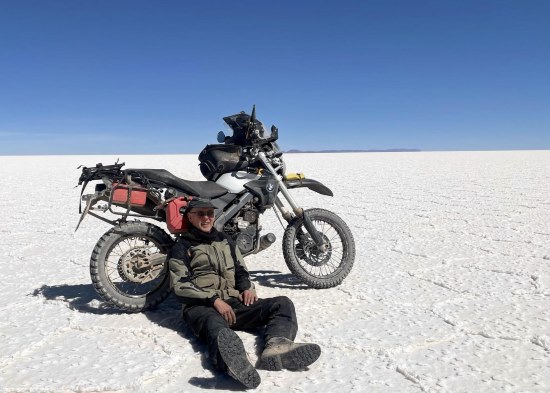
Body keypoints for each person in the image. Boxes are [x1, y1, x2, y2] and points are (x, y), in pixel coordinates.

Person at [168, 198, 321, 389]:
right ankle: (235, 363)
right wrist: (214, 300)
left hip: (233, 303)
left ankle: (277, 346)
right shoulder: (182, 247)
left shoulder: (225, 240)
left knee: (282, 303)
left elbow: (240, 269)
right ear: (190, 217)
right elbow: (180, 285)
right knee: (216, 328)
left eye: (209, 213)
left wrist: (247, 288)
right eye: (200, 213)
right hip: (202, 306)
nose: (206, 218)